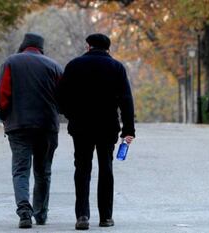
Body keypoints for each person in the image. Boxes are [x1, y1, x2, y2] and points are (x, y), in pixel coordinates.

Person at [57, 33, 135, 230]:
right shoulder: (116, 67)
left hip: (81, 126)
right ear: (108, 48)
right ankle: (105, 217)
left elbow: (60, 96)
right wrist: (128, 129)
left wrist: (70, 114)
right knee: (106, 169)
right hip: (107, 125)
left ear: (88, 46)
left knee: (82, 169)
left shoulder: (74, 65)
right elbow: (126, 100)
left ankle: (82, 215)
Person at [0, 33, 63, 229]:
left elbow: (1, 96)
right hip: (46, 126)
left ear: (23, 46)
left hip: (18, 125)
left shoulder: (11, 62)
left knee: (21, 170)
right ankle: (41, 214)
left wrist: (6, 113)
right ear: (41, 48)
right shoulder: (54, 66)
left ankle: (24, 212)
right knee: (43, 171)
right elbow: (63, 98)